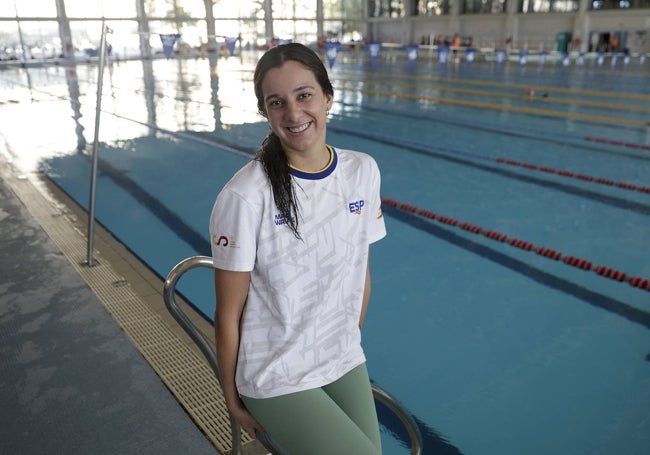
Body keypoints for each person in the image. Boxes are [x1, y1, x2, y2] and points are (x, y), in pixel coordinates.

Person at [209, 42, 386, 454]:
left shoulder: (363, 171)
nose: (293, 113)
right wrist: (232, 396)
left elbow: (360, 269)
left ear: (327, 97)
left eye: (304, 95)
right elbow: (228, 312)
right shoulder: (245, 196)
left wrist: (348, 335)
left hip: (340, 355)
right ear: (266, 112)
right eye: (277, 102)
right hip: (276, 372)